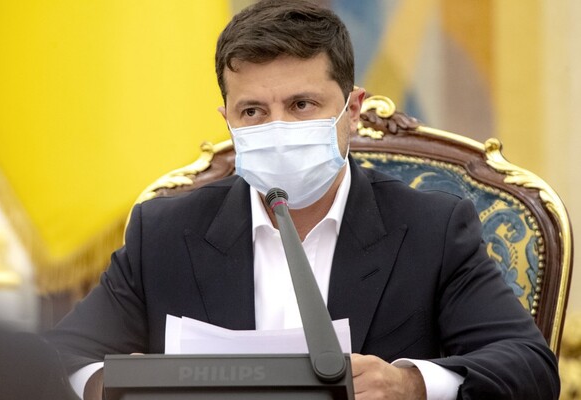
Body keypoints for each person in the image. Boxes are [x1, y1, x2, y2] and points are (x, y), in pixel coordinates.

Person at [46, 1, 560, 399]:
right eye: (253, 111)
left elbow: (529, 367)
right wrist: (117, 387)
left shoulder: (433, 228)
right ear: (227, 120)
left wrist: (410, 384)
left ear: (352, 110)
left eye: (301, 105)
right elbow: (56, 360)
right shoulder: (163, 233)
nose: (278, 128)